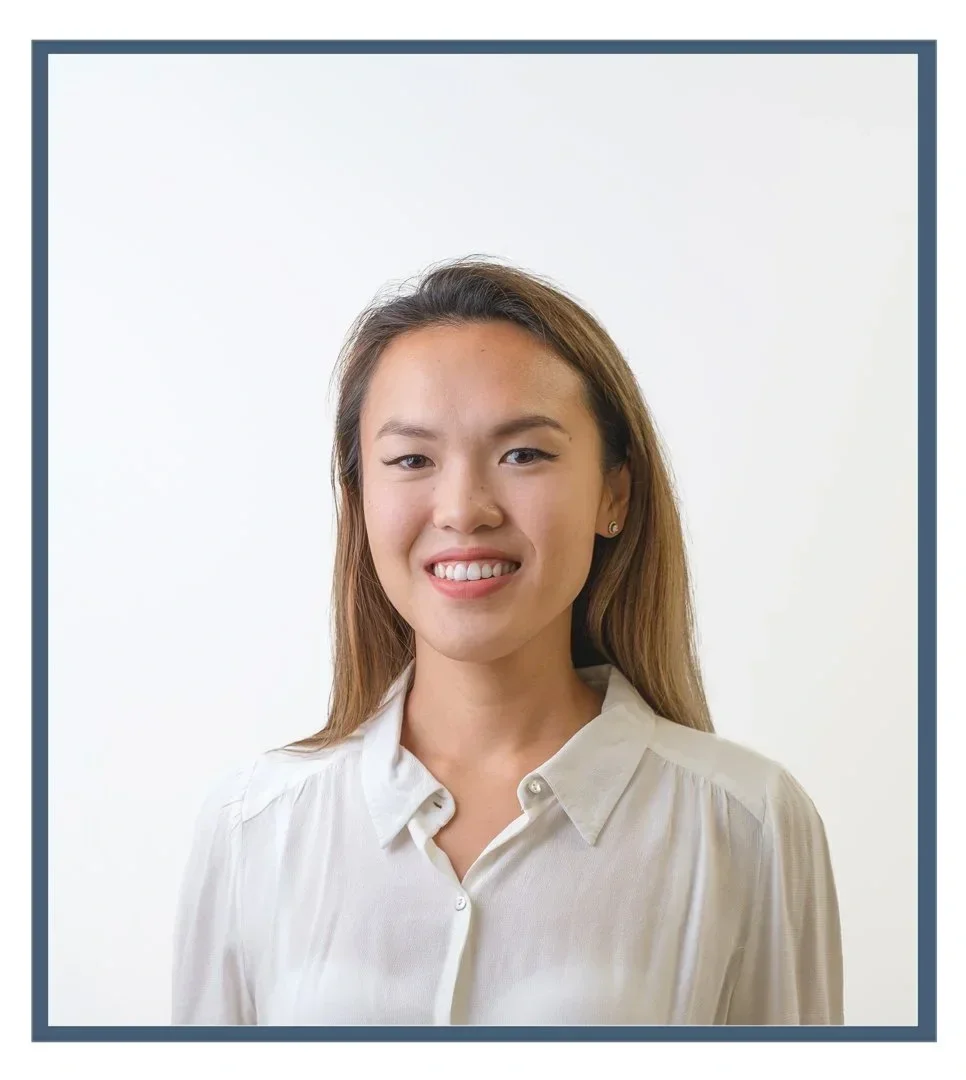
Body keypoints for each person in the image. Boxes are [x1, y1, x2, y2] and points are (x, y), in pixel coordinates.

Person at [171, 255, 844, 1026]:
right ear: (359, 501)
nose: (463, 508)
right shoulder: (251, 827)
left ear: (614, 492)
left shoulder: (745, 824)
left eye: (523, 453)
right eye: (412, 460)